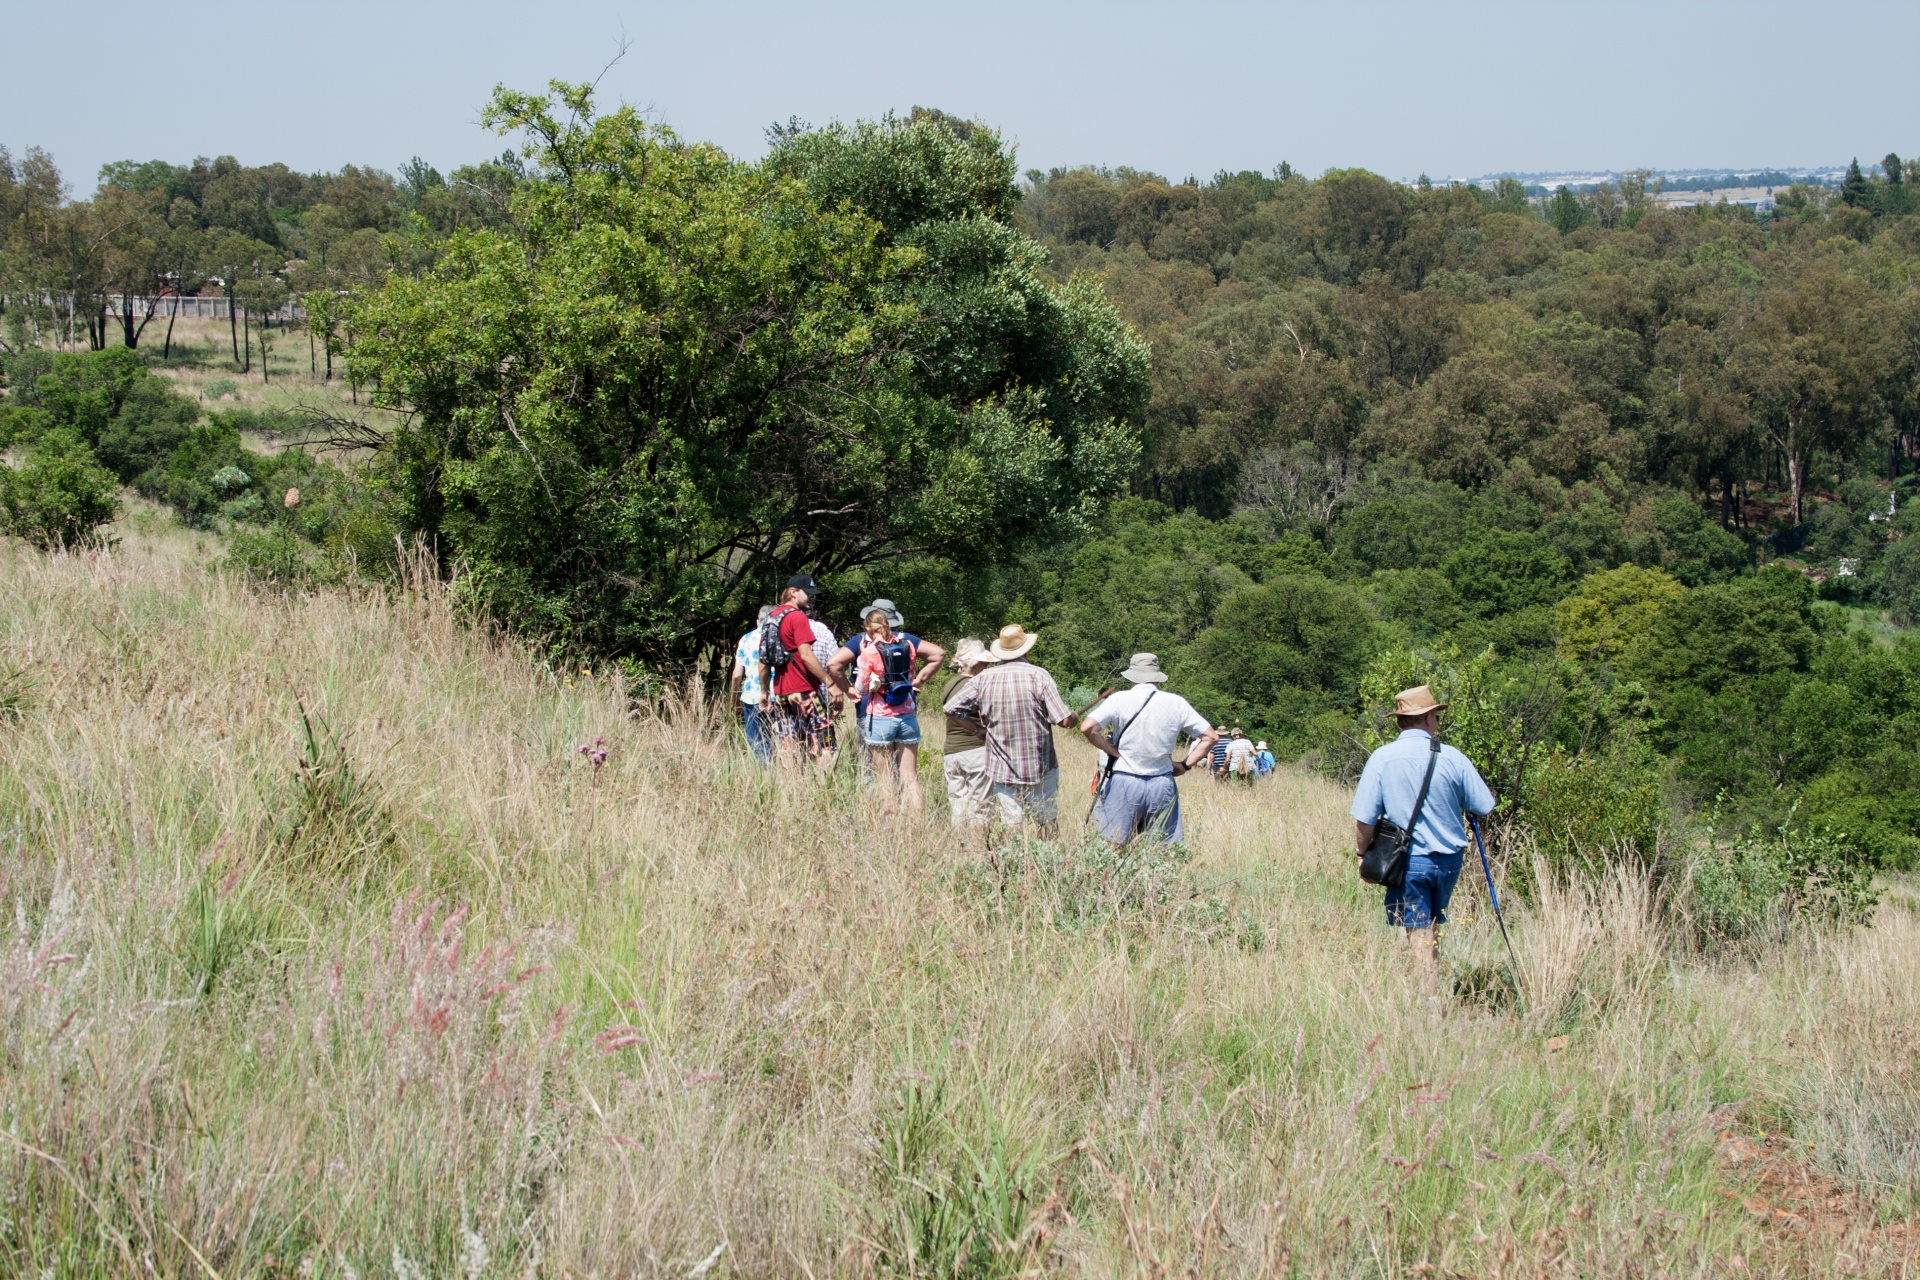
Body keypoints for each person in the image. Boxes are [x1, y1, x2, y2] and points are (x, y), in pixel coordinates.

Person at [1351, 684, 1497, 992]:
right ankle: (1429, 987)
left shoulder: (1382, 758)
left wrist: (1362, 853)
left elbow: (1364, 818)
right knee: (1430, 926)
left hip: (1407, 860)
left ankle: (1427, 1004)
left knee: (1417, 931)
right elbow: (1483, 805)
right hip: (1449, 860)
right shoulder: (1453, 757)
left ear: (1402, 721)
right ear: (1429, 719)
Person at [942, 624, 1078, 836]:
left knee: (1011, 823)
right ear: (1026, 650)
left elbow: (950, 709)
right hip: (1039, 765)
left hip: (1001, 766)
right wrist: (1074, 717)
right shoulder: (1039, 676)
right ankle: (1047, 863)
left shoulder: (984, 679)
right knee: (1046, 819)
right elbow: (1064, 721)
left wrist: (977, 730)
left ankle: (1012, 862)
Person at [1079, 653, 1218, 846]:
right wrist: (1185, 765)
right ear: (1156, 676)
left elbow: (1088, 727)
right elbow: (1211, 737)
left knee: (1112, 847)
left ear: (1132, 675)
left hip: (1125, 779)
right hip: (1162, 782)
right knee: (1159, 852)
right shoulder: (1176, 702)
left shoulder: (1119, 699)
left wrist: (1111, 750)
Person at [841, 602, 943, 817]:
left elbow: (859, 687)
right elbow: (934, 656)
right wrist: (918, 681)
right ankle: (918, 825)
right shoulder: (908, 644)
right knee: (910, 778)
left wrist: (855, 689)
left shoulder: (869, 651)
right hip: (907, 714)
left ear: (868, 627)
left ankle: (891, 828)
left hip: (879, 718)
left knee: (884, 777)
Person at [759, 575, 848, 765]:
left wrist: (763, 691)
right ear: (793, 592)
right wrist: (830, 683)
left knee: (789, 747)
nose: (811, 598)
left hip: (782, 694)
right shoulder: (797, 617)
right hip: (806, 691)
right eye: (808, 594)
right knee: (824, 747)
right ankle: (824, 791)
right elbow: (806, 655)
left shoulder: (770, 618)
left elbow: (763, 659)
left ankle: (793, 791)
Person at [941, 639, 997, 837]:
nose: (986, 666)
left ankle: (960, 848)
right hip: (976, 751)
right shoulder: (976, 685)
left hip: (951, 752)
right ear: (976, 664)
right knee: (981, 806)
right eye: (984, 663)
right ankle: (979, 848)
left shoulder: (951, 684)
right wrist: (978, 731)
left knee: (958, 805)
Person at [728, 604, 775, 765]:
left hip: (751, 696)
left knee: (757, 740)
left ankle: (764, 773)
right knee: (782, 738)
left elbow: (737, 675)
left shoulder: (746, 639)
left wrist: (734, 699)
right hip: (779, 695)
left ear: (757, 621)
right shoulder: (781, 638)